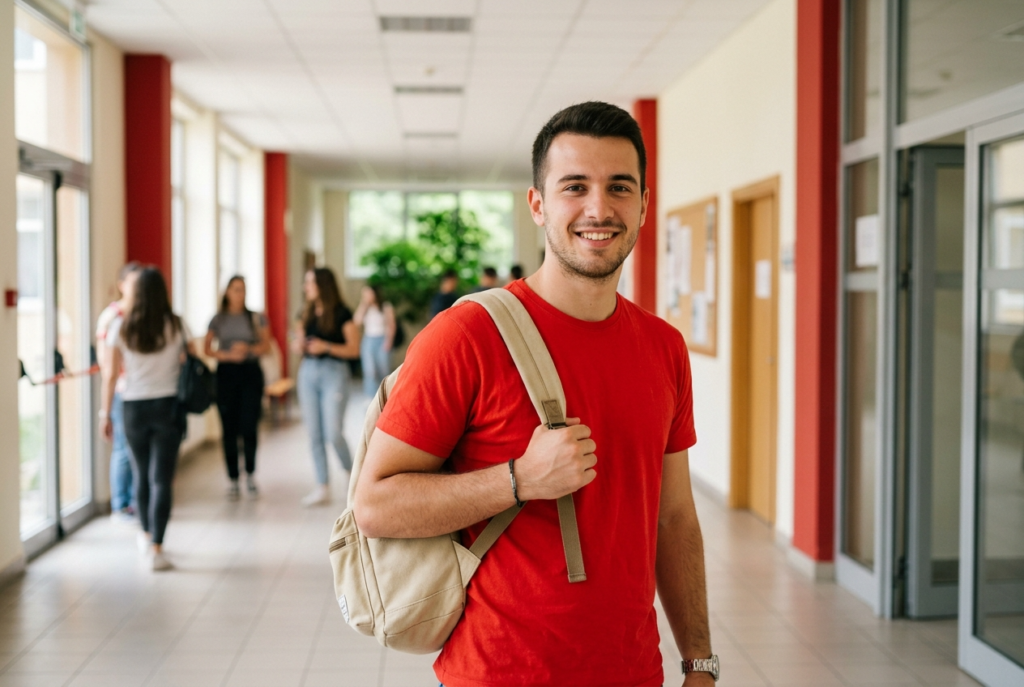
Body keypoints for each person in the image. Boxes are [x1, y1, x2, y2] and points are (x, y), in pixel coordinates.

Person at [354, 102, 715, 686]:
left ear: (644, 205)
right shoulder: (465, 336)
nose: (600, 208)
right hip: (499, 672)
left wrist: (699, 660)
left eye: (620, 187)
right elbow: (375, 505)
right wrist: (517, 479)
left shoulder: (664, 346)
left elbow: (673, 520)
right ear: (538, 204)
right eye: (575, 187)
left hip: (633, 671)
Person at [100, 267, 194, 572]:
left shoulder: (122, 327)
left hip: (133, 408)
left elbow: (111, 374)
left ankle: (144, 534)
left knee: (141, 475)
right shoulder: (176, 325)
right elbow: (190, 361)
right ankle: (158, 547)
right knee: (162, 478)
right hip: (168, 407)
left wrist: (105, 413)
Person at [293, 267, 361, 507]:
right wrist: (299, 345)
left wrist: (326, 347)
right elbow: (298, 339)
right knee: (314, 433)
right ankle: (322, 485)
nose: (306, 287)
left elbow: (354, 349)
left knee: (333, 432)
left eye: (309, 282)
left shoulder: (343, 313)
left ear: (323, 284)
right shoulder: (306, 312)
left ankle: (353, 477)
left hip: (334, 372)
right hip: (308, 373)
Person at [204, 276, 271, 500]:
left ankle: (250, 473)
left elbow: (266, 346)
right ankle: (233, 478)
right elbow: (207, 348)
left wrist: (248, 348)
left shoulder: (255, 318)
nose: (239, 294)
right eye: (235, 290)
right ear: (226, 292)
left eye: (243, 290)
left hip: (250, 374)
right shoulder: (218, 319)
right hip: (226, 375)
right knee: (229, 428)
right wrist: (226, 355)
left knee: (249, 424)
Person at [96, 261, 141, 522]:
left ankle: (136, 501)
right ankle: (120, 504)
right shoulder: (112, 317)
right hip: (122, 393)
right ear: (122, 285)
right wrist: (105, 409)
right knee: (123, 448)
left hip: (140, 391)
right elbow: (107, 366)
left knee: (137, 449)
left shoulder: (142, 316)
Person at [353, 284, 396, 397]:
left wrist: (389, 342)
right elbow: (356, 321)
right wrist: (364, 304)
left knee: (383, 369)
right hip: (368, 340)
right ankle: (370, 397)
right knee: (370, 371)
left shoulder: (386, 306)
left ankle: (385, 396)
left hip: (382, 339)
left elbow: (391, 325)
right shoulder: (366, 308)